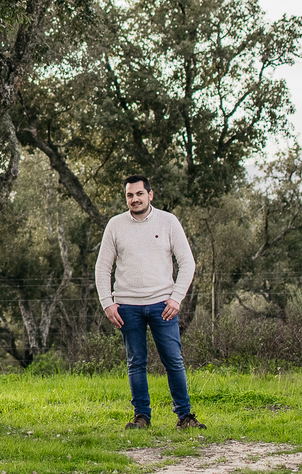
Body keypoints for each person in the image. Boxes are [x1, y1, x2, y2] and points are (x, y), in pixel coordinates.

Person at [94, 175, 206, 431]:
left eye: (139, 194)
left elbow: (187, 263)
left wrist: (177, 298)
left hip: (162, 306)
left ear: (150, 195)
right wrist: (107, 303)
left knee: (173, 360)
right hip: (127, 307)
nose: (134, 199)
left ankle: (185, 417)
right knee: (136, 362)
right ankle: (141, 417)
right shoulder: (115, 225)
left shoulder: (168, 222)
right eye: (129, 196)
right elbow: (102, 267)